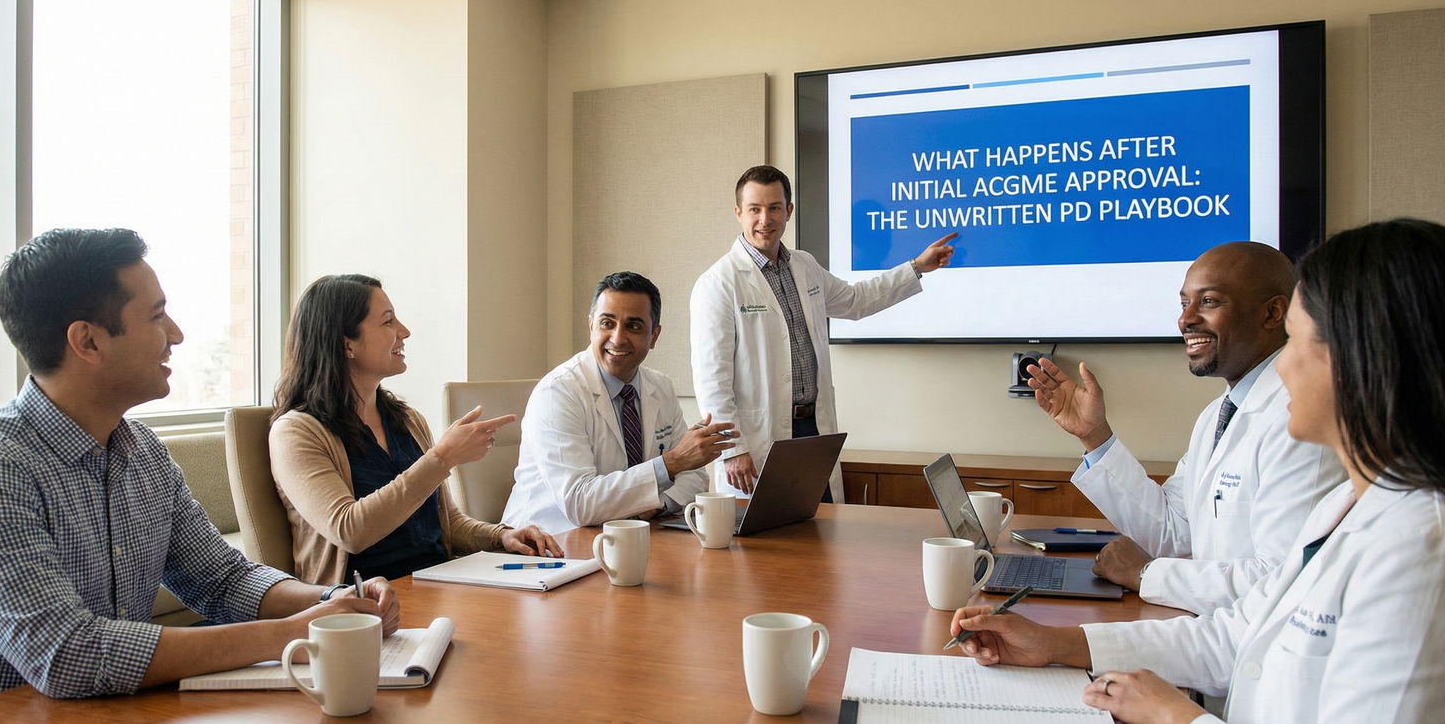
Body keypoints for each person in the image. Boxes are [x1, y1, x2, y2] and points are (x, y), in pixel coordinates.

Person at [952, 218, 1445, 724]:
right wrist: (1058, 645)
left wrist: (1178, 720)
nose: (1283, 372)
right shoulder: (1347, 511)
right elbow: (1236, 636)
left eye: (1300, 343)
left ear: (1367, 360)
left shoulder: (1428, 553)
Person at [0, 229, 399, 716]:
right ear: (87, 341)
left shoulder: (142, 451)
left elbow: (223, 580)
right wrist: (295, 632)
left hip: (105, 721)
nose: (177, 334)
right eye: (156, 315)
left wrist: (335, 601)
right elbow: (67, 655)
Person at [1026, 242, 1344, 614]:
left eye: (1208, 301)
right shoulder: (1218, 415)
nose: (1186, 320)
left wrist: (1146, 575)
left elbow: (1282, 581)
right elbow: (1173, 532)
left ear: (1273, 313)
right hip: (1211, 633)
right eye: (1183, 304)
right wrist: (1094, 437)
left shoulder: (1302, 422)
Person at [269, 274, 559, 584]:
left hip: (440, 583)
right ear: (346, 343)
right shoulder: (296, 432)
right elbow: (349, 530)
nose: (404, 332)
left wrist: (501, 537)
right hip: (366, 605)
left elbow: (447, 524)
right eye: (388, 322)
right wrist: (442, 459)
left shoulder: (407, 420)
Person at [690, 165, 958, 500]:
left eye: (774, 208)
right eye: (754, 210)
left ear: (788, 210)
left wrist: (917, 266)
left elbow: (856, 301)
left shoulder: (805, 266)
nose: (765, 220)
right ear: (738, 213)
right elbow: (712, 379)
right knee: (770, 543)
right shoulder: (718, 283)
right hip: (759, 438)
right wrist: (733, 450)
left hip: (812, 429)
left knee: (822, 531)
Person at [504, 272, 733, 533]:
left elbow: (694, 476)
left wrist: (658, 502)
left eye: (633, 326)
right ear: (591, 326)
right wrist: (669, 464)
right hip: (551, 542)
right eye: (607, 323)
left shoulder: (660, 387)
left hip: (629, 534)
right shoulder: (559, 392)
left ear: (654, 336)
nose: (617, 338)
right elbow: (580, 503)